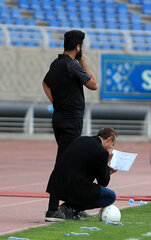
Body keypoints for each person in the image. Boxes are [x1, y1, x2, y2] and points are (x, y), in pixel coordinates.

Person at [42, 30, 97, 221]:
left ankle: (72, 205)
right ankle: (52, 208)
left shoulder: (56, 63)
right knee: (64, 162)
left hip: (60, 118)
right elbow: (93, 84)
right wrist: (83, 61)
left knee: (70, 161)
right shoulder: (72, 65)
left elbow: (45, 83)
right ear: (78, 47)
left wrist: (56, 104)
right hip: (71, 120)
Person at [46, 128, 118, 221]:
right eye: (111, 145)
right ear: (109, 139)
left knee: (85, 184)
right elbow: (103, 182)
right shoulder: (101, 152)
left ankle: (66, 209)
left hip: (57, 184)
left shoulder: (81, 139)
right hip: (73, 187)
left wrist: (104, 168)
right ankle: (72, 208)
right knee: (110, 196)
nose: (110, 148)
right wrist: (107, 165)